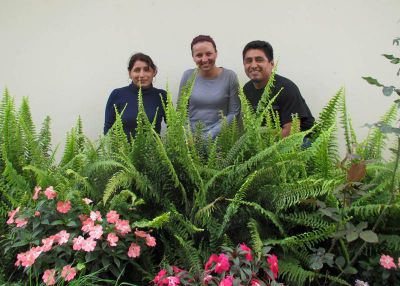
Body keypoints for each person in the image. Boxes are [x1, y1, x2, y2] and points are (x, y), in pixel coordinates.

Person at [242, 40, 314, 138]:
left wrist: (261, 148)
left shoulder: (287, 88)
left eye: (259, 60)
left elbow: (291, 132)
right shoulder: (246, 89)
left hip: (300, 143)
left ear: (272, 64)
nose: (253, 65)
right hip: (266, 144)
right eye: (248, 61)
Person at [179, 35, 240, 139]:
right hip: (191, 141)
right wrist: (189, 135)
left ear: (216, 53)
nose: (204, 59)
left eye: (208, 54)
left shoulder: (230, 76)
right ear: (193, 57)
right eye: (199, 55)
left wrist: (210, 135)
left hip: (220, 139)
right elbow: (181, 111)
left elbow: (234, 113)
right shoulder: (187, 76)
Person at [104, 53, 167, 138]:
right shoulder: (117, 95)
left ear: (154, 72)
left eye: (146, 70)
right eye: (137, 70)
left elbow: (174, 127)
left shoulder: (162, 96)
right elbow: (108, 129)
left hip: (153, 151)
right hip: (123, 151)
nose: (142, 75)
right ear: (130, 73)